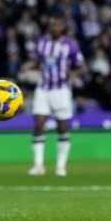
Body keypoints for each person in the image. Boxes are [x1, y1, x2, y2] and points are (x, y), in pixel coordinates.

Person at [27, 12, 85, 177]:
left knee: (62, 127)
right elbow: (36, 61)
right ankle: (38, 165)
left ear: (62, 27)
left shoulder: (70, 45)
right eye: (52, 24)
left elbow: (81, 65)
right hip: (43, 88)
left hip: (61, 90)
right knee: (38, 124)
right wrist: (29, 67)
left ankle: (60, 166)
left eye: (57, 25)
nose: (54, 27)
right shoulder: (41, 42)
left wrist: (72, 75)